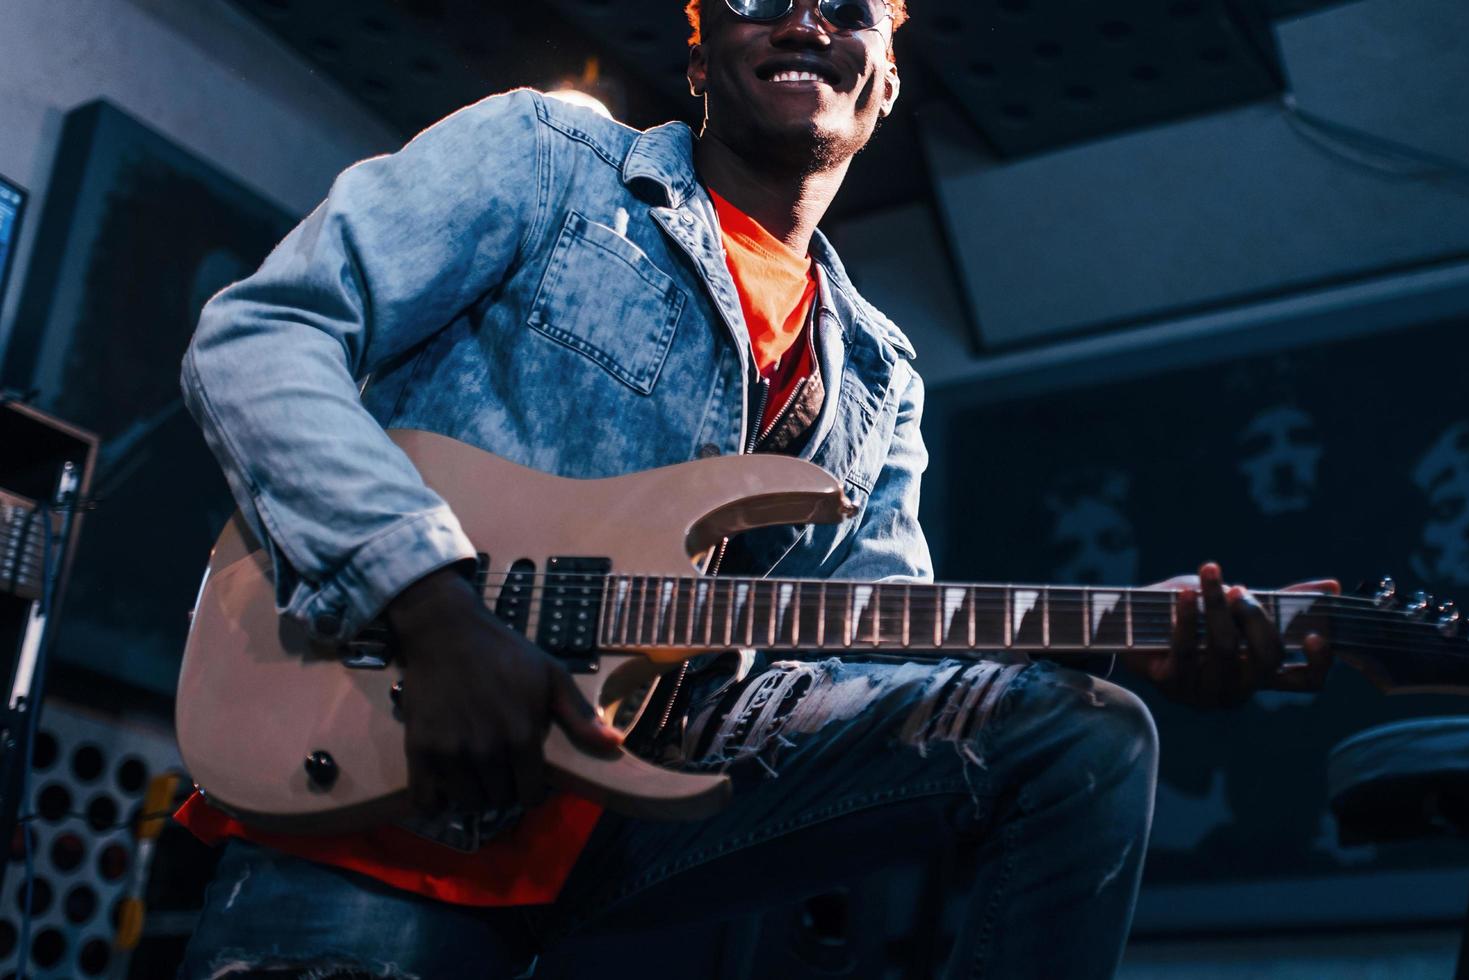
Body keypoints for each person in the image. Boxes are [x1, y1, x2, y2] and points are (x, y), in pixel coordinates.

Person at [174, 1, 1336, 976]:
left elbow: (878, 659)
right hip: (380, 799)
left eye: (845, 3)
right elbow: (260, 338)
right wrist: (433, 607)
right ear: (696, 53)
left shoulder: (877, 375)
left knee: (1082, 740)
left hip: (639, 827)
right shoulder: (544, 160)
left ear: (883, 76)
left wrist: (1114, 644)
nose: (800, 17)